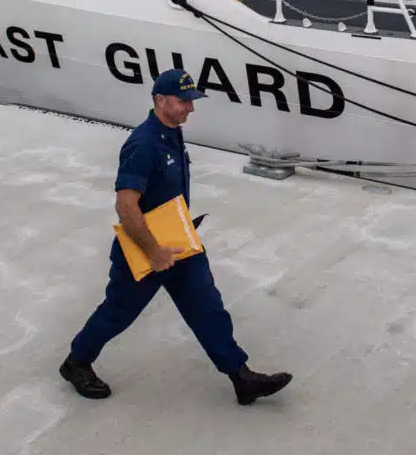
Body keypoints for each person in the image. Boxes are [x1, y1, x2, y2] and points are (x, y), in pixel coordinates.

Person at [61, 68, 292, 406]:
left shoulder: (171, 132)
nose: (191, 108)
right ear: (161, 101)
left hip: (180, 241)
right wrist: (153, 252)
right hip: (146, 249)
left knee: (208, 307)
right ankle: (76, 362)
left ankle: (240, 377)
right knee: (118, 312)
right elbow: (126, 206)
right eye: (184, 101)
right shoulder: (142, 144)